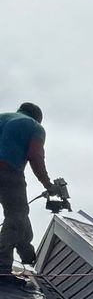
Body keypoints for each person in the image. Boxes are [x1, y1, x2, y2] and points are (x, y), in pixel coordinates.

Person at [0, 102, 65, 281]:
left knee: (20, 216)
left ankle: (28, 255)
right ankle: (2, 267)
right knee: (16, 217)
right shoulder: (35, 127)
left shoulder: (2, 117)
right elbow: (35, 155)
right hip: (8, 171)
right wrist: (47, 184)